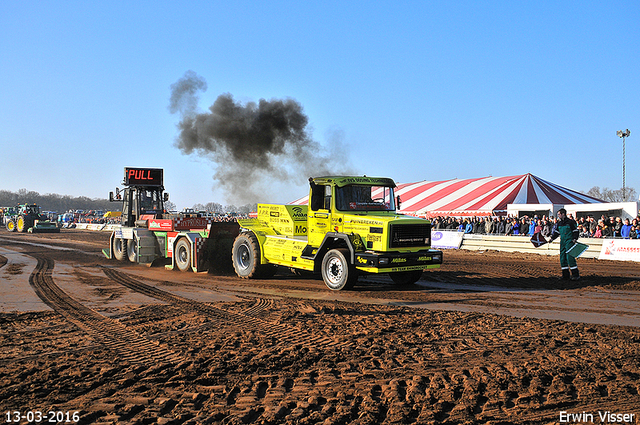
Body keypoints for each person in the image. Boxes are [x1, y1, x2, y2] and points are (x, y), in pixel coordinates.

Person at [547, 208, 580, 281]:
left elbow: (575, 231)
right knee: (562, 258)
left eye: (559, 214)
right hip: (562, 242)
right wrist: (552, 239)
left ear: (563, 214)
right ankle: (565, 275)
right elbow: (557, 233)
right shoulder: (559, 223)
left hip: (569, 242)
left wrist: (575, 238)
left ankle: (575, 275)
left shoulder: (571, 222)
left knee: (570, 257)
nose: (558, 215)